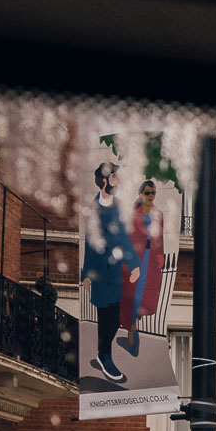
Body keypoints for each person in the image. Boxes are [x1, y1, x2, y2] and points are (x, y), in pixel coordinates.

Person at [83, 162, 136, 384]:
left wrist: (134, 265)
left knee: (114, 318)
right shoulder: (93, 208)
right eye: (115, 177)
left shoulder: (117, 207)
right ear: (105, 180)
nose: (118, 181)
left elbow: (124, 238)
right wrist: (86, 274)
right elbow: (90, 242)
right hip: (99, 273)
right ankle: (105, 357)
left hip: (114, 274)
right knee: (105, 317)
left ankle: (102, 353)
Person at [123, 178, 168, 354]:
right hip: (137, 257)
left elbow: (160, 238)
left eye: (153, 193)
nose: (151, 196)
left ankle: (133, 325)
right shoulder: (133, 215)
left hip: (150, 259)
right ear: (141, 194)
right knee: (134, 295)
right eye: (147, 192)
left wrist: (160, 256)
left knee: (144, 295)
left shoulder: (158, 215)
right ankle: (132, 330)